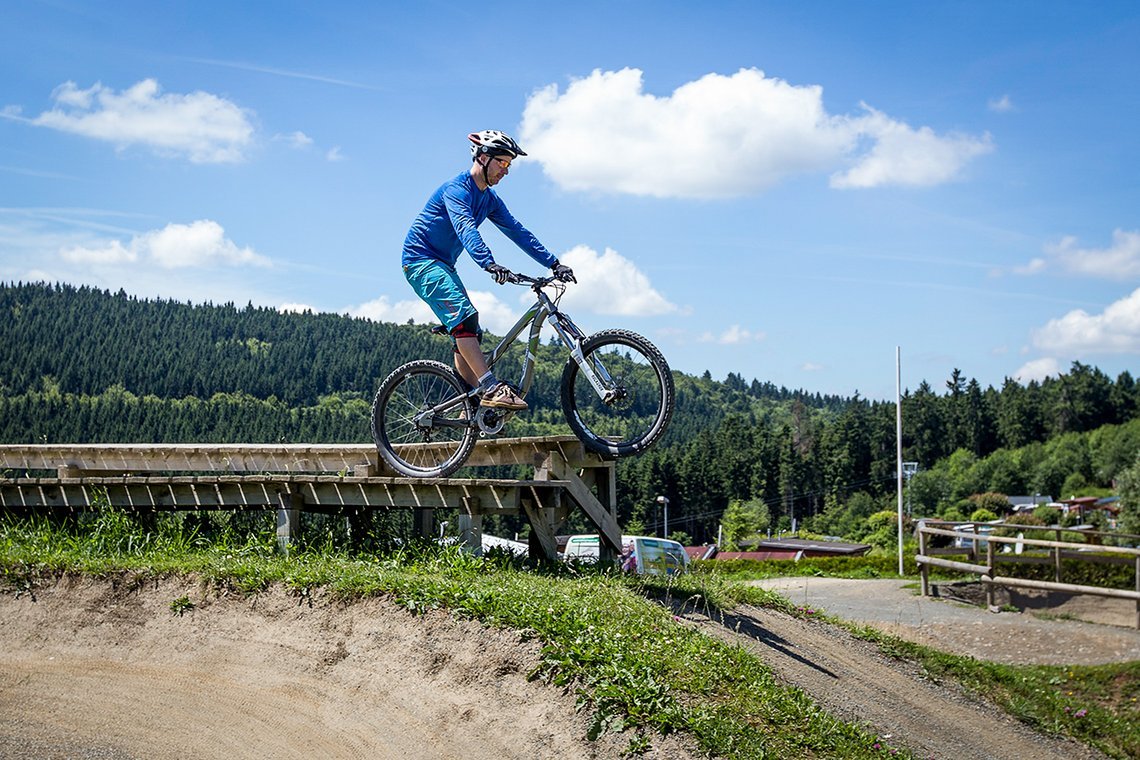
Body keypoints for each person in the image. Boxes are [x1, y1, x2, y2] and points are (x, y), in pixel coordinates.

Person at [402, 130, 576, 411]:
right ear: (483, 158)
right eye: (502, 163)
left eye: (509, 165)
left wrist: (554, 263)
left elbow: (517, 231)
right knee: (464, 319)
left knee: (471, 330)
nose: (506, 171)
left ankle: (469, 404)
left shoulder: (490, 200)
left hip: (443, 264)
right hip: (420, 261)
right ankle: (491, 387)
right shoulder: (456, 190)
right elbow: (465, 227)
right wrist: (488, 262)